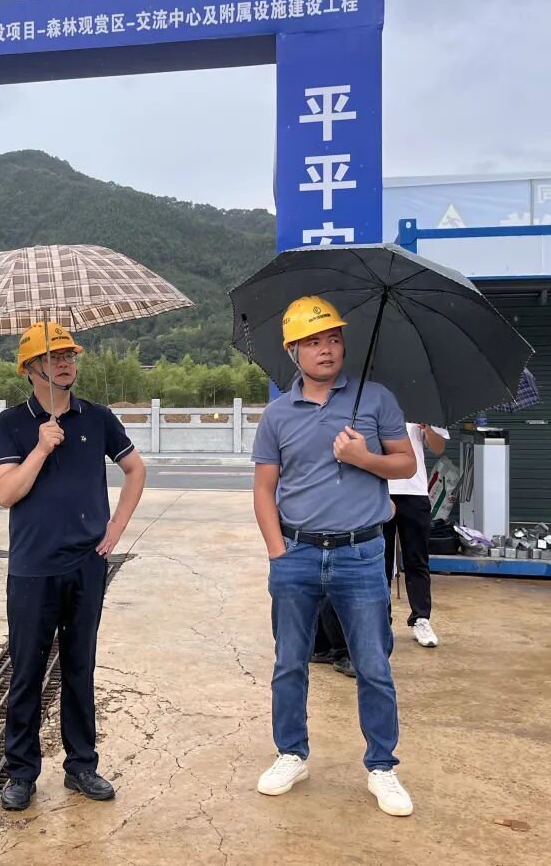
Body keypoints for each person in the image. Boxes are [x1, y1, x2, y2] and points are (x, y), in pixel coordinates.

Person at [251, 296, 418, 817]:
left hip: (360, 555)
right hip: (297, 554)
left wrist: (363, 457)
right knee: (289, 663)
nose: (325, 349)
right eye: (312, 342)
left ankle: (382, 765)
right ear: (293, 351)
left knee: (373, 664)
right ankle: (291, 754)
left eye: (333, 339)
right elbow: (264, 489)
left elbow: (406, 464)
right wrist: (277, 552)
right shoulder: (277, 415)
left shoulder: (376, 399)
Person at [0, 322, 146, 812]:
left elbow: (136, 469)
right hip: (33, 567)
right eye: (53, 357)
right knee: (27, 671)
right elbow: (5, 493)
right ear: (30, 368)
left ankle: (82, 766)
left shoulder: (96, 418)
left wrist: (116, 527)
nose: (64, 363)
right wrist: (40, 448)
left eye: (69, 355)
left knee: (80, 667)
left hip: (86, 564)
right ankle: (21, 772)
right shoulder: (11, 424)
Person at [385, 423, 448, 648]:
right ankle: (381, 620)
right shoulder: (374, 405)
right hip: (380, 488)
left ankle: (421, 618)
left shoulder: (424, 407)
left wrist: (428, 429)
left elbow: (438, 448)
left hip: (414, 490)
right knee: (380, 561)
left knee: (417, 559)